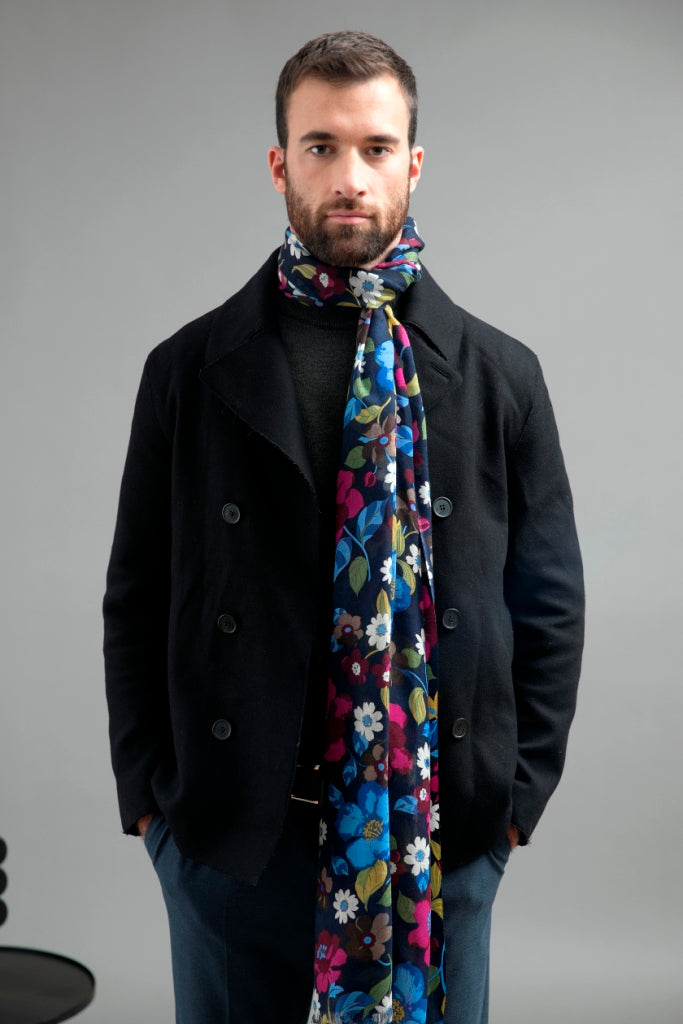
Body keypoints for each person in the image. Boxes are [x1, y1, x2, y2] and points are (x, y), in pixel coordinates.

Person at [103, 29, 584, 1024]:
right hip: (236, 837)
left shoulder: (499, 376)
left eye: (375, 147)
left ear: (413, 163)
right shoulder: (188, 369)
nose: (349, 177)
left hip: (436, 831)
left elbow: (548, 602)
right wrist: (153, 803)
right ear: (279, 164)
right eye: (320, 146)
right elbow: (136, 594)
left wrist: (511, 804)